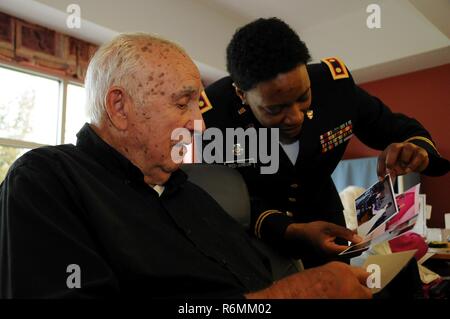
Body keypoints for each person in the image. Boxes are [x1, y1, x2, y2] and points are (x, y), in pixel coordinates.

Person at [0, 33, 372, 298]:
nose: (201, 124)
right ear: (120, 107)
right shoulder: (46, 180)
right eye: (184, 104)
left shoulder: (190, 191)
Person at [200, 18, 450, 266]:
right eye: (275, 109)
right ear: (242, 94)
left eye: (303, 97)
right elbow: (222, 197)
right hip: (256, 234)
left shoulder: (334, 88)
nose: (296, 117)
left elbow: (402, 129)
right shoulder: (215, 116)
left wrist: (417, 151)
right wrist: (289, 230)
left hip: (327, 221)